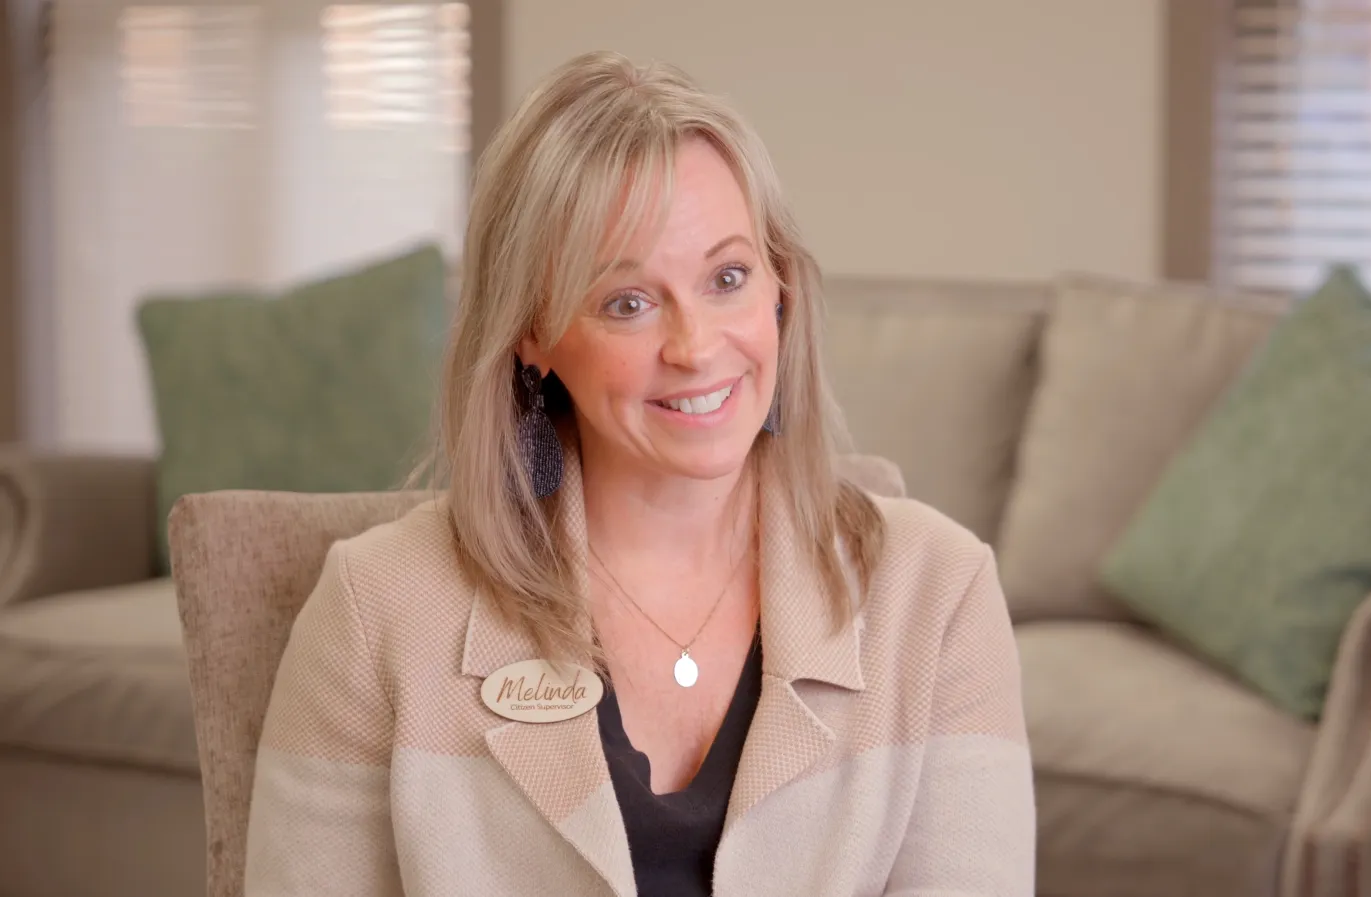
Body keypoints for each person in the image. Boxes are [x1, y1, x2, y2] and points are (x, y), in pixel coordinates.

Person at [244, 50, 1033, 897]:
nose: (695, 348)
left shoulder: (940, 592)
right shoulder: (378, 610)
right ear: (532, 335)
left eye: (728, 277)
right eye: (629, 301)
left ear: (781, 292)